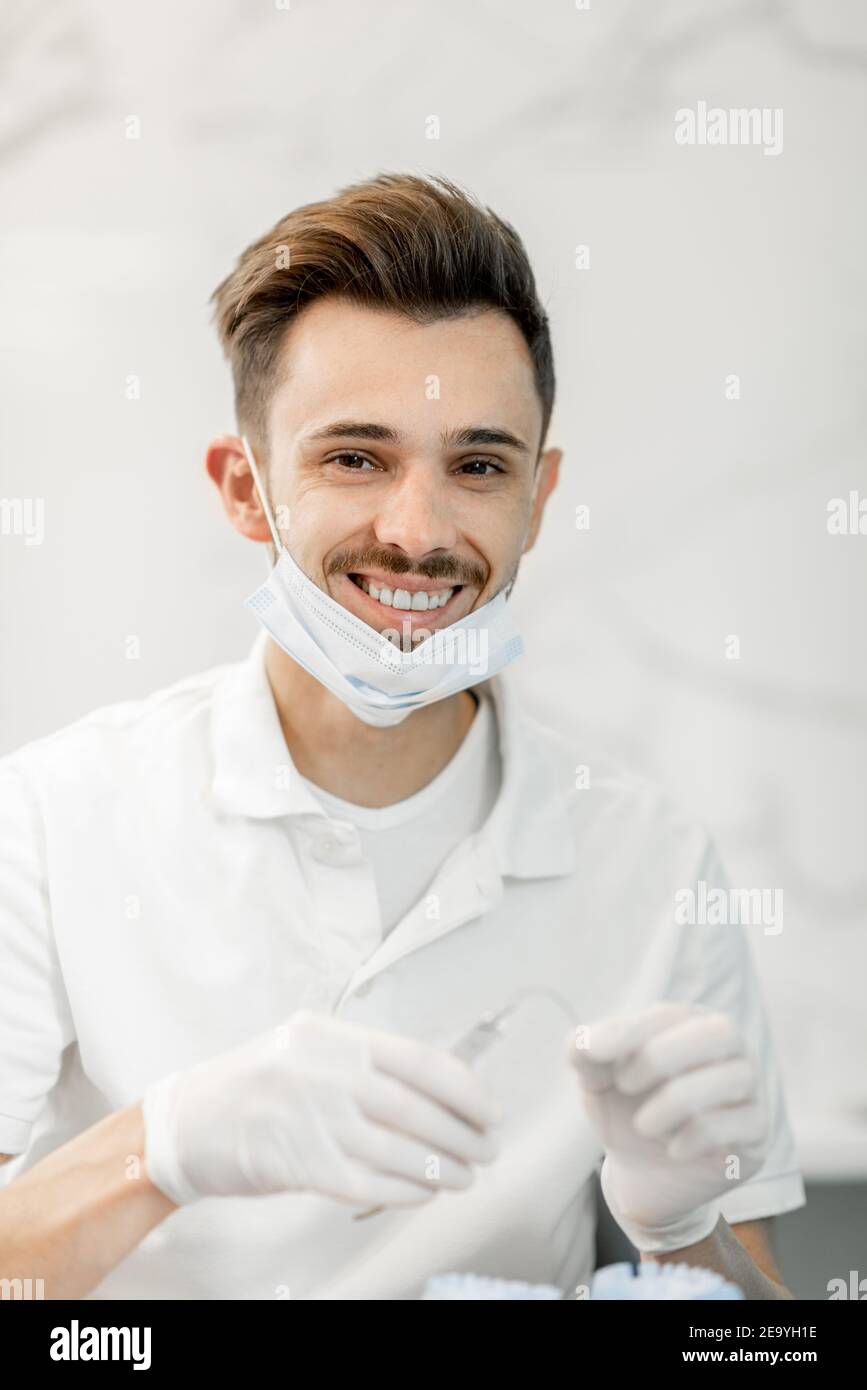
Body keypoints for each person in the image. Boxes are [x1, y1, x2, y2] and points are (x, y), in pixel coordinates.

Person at [0, 173, 804, 1300]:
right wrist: (161, 1145)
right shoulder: (45, 818)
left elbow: (761, 1336)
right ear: (245, 488)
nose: (418, 532)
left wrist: (685, 1225)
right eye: (355, 457)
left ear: (535, 496)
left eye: (478, 465)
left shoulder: (656, 864)